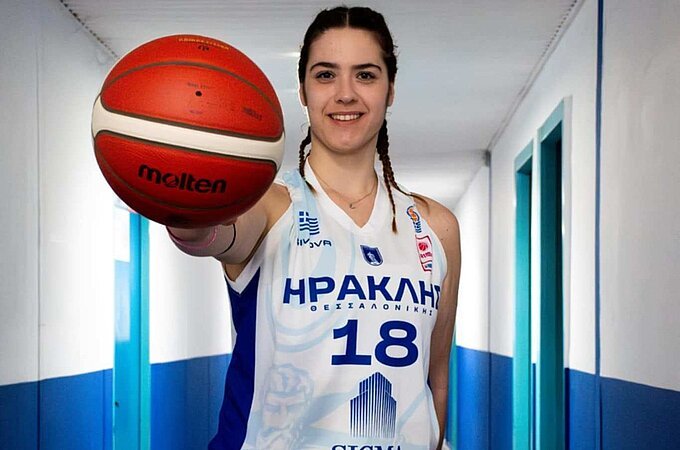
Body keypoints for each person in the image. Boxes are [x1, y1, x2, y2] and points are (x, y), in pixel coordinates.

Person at [167, 6, 461, 450]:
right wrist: (183, 203)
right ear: (303, 90)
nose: (345, 94)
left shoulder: (436, 227)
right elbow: (207, 233)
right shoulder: (267, 207)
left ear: (390, 90)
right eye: (326, 75)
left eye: (365, 75)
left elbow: (434, 376)